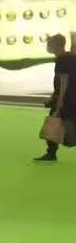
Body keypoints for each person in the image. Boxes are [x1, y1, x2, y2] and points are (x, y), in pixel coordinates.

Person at [35, 34, 75, 162]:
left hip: (67, 98)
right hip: (72, 97)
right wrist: (53, 96)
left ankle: (51, 153)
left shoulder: (62, 60)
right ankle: (51, 152)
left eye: (49, 45)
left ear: (56, 46)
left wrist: (60, 100)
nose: (47, 47)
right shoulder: (71, 57)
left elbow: (64, 81)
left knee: (53, 122)